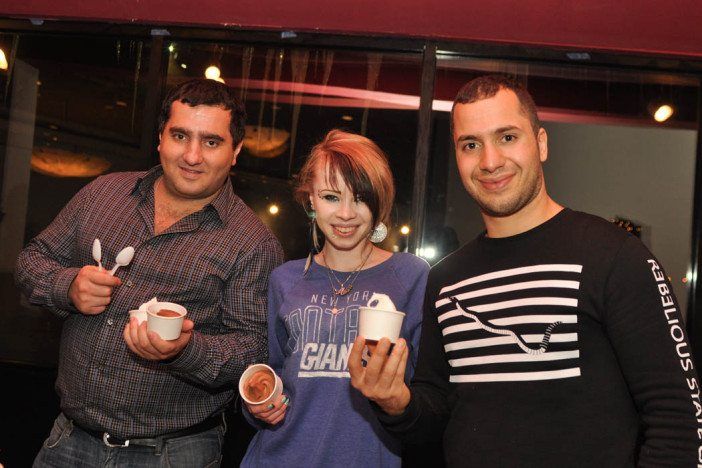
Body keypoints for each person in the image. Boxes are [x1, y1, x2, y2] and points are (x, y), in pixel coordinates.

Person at [348, 75, 702, 466]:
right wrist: (396, 402)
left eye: (507, 137)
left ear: (542, 144)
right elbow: (439, 417)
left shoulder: (615, 257)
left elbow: (680, 422)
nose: (490, 161)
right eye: (471, 145)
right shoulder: (446, 281)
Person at [15, 78, 283, 466]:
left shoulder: (253, 244)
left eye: (211, 142)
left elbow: (253, 349)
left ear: (235, 151)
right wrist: (67, 286)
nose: (192, 156)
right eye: (180, 135)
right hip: (69, 440)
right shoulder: (103, 194)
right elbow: (32, 259)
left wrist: (185, 351)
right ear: (160, 138)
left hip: (172, 454)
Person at [240, 130, 429, 467]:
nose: (345, 214)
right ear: (310, 199)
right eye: (330, 197)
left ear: (380, 200)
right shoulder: (285, 279)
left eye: (359, 197)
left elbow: (424, 396)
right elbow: (271, 377)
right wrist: (257, 406)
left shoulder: (411, 275)